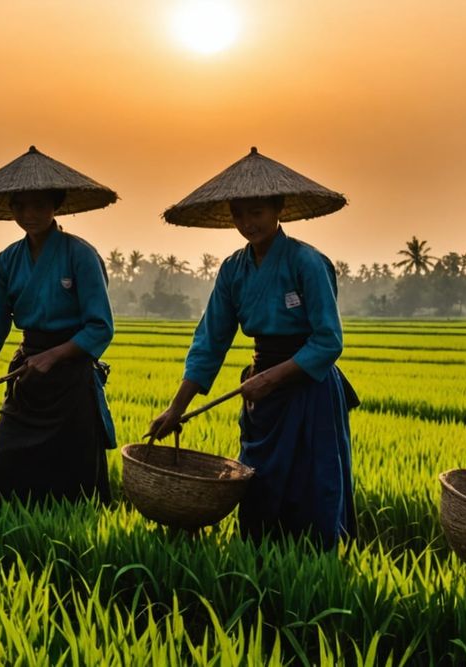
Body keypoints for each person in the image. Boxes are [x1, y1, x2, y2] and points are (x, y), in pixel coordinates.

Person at [146, 148, 358, 550]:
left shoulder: (307, 263)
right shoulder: (233, 270)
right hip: (262, 392)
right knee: (260, 484)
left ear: (279, 209)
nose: (248, 223)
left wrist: (273, 378)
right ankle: (262, 562)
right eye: (239, 214)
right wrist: (177, 408)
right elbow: (210, 341)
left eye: (257, 212)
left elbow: (329, 341)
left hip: (308, 388)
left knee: (312, 486)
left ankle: (317, 566)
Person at [0, 146, 119, 503]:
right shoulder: (7, 261)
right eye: (20, 205)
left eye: (38, 204)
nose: (29, 214)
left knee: (73, 486)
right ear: (11, 208)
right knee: (3, 468)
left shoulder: (80, 255)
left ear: (56, 204)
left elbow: (100, 327)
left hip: (71, 379)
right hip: (27, 377)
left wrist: (55, 356)